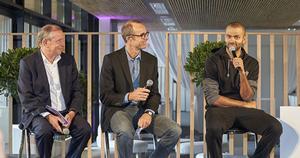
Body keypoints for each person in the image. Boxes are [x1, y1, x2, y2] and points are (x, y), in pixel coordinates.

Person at [100, 20, 181, 158]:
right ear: (129, 39)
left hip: (142, 111)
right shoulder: (111, 60)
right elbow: (105, 96)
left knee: (175, 130)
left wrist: (148, 113)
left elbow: (155, 94)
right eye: (142, 35)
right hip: (117, 111)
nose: (146, 37)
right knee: (125, 131)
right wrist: (129, 96)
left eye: (146, 34)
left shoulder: (151, 60)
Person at [203, 22, 282, 158]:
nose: (232, 40)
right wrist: (244, 104)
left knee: (275, 127)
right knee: (213, 129)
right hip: (219, 110)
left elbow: (247, 96)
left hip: (245, 112)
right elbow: (213, 98)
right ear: (225, 37)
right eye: (229, 36)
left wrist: (241, 73)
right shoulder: (212, 61)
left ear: (244, 39)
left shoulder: (252, 63)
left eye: (236, 37)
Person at [18, 24, 91, 158]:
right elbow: (26, 97)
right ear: (45, 42)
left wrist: (72, 112)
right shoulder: (28, 63)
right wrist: (48, 116)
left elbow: (77, 91)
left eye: (63, 40)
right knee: (44, 131)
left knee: (85, 130)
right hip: (39, 113)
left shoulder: (68, 60)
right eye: (59, 41)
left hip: (65, 112)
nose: (63, 44)